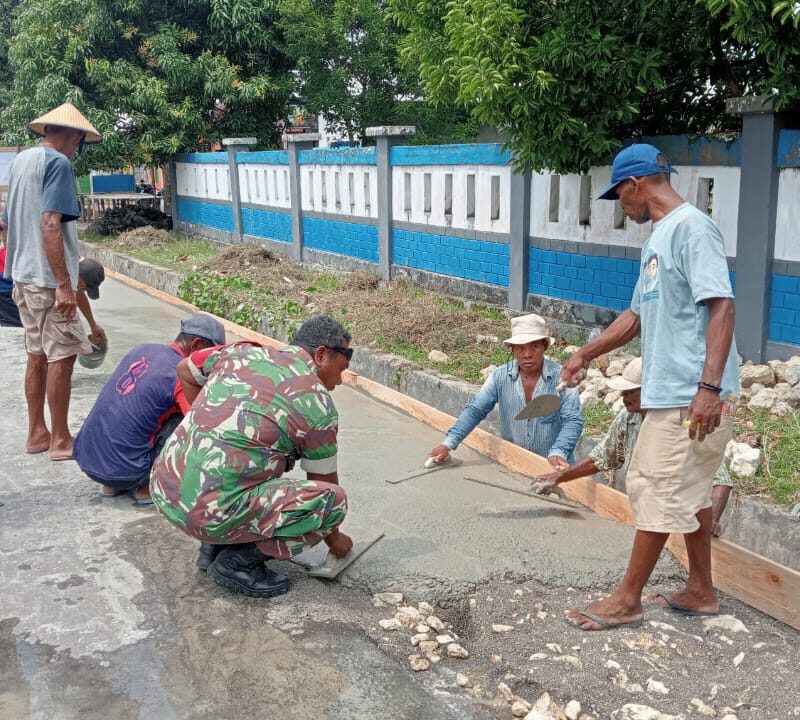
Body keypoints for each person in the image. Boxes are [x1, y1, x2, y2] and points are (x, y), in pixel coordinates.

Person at [559, 144, 739, 630]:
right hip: (677, 390)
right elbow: (636, 315)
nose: (621, 206)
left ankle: (627, 599)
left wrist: (709, 386)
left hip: (690, 394)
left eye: (619, 195)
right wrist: (585, 353)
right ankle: (701, 590)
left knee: (654, 484)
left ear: (634, 184)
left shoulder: (692, 229)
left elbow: (721, 306)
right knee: (694, 493)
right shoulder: (658, 239)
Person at [150, 314, 354, 599]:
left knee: (256, 457)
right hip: (207, 513)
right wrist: (336, 541)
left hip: (165, 491)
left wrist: (207, 424)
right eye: (342, 369)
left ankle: (212, 545)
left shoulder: (240, 351)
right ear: (321, 355)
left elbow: (185, 368)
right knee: (334, 502)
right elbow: (324, 485)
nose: (340, 380)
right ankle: (238, 562)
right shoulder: (316, 403)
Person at [531, 357, 734, 537]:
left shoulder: (683, 424)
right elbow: (601, 457)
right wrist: (558, 477)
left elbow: (720, 480)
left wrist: (711, 520)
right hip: (643, 514)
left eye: (630, 392)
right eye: (623, 392)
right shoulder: (628, 418)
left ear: (651, 392)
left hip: (677, 521)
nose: (623, 397)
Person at [2, 102, 102, 460]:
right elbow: (50, 224)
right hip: (46, 280)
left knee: (36, 355)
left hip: (22, 277)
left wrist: (15, 262)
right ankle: (60, 440)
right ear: (73, 135)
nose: (78, 148)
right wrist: (63, 283)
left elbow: (6, 223)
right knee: (63, 356)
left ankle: (36, 433)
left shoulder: (22, 161)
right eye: (80, 141)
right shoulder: (58, 164)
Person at [73, 314, 226, 505]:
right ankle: (146, 487)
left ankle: (112, 484)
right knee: (189, 420)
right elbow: (202, 427)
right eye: (211, 355)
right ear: (197, 345)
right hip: (128, 471)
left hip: (88, 460)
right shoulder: (180, 373)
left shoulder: (142, 349)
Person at [428, 313, 584, 469]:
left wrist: (558, 452)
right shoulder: (500, 377)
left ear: (545, 346)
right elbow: (476, 410)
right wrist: (448, 443)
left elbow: (572, 420)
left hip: (554, 467)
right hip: (515, 464)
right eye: (520, 348)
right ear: (512, 349)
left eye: (535, 346)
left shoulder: (562, 378)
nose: (527, 354)